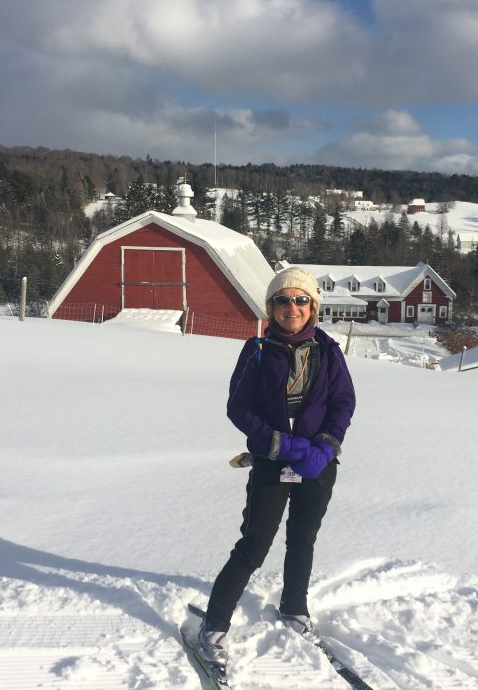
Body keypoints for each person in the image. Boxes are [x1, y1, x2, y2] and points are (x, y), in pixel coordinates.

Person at [197, 266, 357, 665]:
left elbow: (343, 403)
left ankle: (294, 608)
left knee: (303, 539)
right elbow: (239, 406)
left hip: (317, 464)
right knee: (253, 546)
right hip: (271, 462)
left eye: (301, 300)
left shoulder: (329, 351)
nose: (293, 307)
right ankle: (214, 624)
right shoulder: (257, 350)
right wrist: (277, 442)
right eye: (283, 300)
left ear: (313, 306)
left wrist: (324, 446)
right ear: (271, 306)